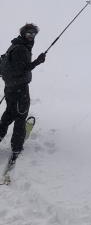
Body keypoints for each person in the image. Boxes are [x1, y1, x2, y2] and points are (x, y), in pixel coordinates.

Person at [0, 23, 46, 156]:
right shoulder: (21, 49)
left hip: (10, 88)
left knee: (9, 113)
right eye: (28, 33)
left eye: (33, 33)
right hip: (19, 89)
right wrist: (38, 61)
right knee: (21, 115)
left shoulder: (15, 45)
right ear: (23, 34)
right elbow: (21, 69)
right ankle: (16, 147)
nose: (31, 36)